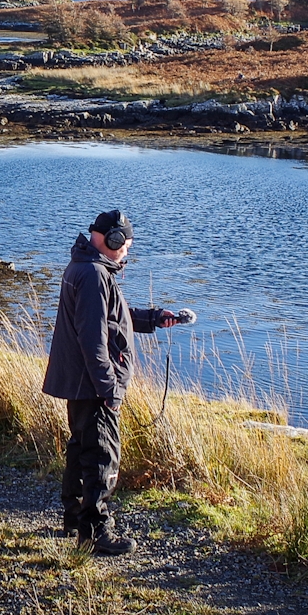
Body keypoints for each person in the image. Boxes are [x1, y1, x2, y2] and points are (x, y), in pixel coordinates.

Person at [42, 210, 179, 555]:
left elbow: (112, 316)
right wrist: (109, 389)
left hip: (80, 382)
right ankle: (96, 532)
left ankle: (74, 516)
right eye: (126, 245)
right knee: (103, 454)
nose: (127, 253)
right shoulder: (92, 274)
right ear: (114, 240)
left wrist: (153, 319)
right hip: (93, 384)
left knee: (81, 448)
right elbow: (93, 338)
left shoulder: (87, 267)